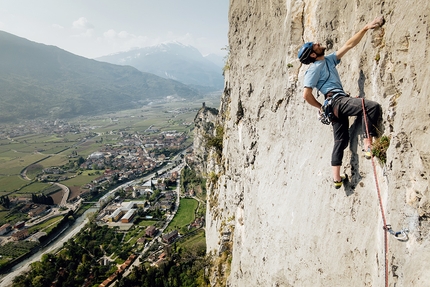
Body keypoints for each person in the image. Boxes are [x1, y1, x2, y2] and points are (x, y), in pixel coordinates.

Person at [298, 15, 384, 189]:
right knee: (370, 107)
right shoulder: (313, 69)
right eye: (314, 45)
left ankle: (337, 179)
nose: (318, 42)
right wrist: (320, 106)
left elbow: (349, 45)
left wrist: (366, 27)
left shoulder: (328, 60)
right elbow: (306, 95)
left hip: (334, 105)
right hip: (335, 101)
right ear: (313, 54)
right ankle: (368, 145)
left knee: (340, 141)